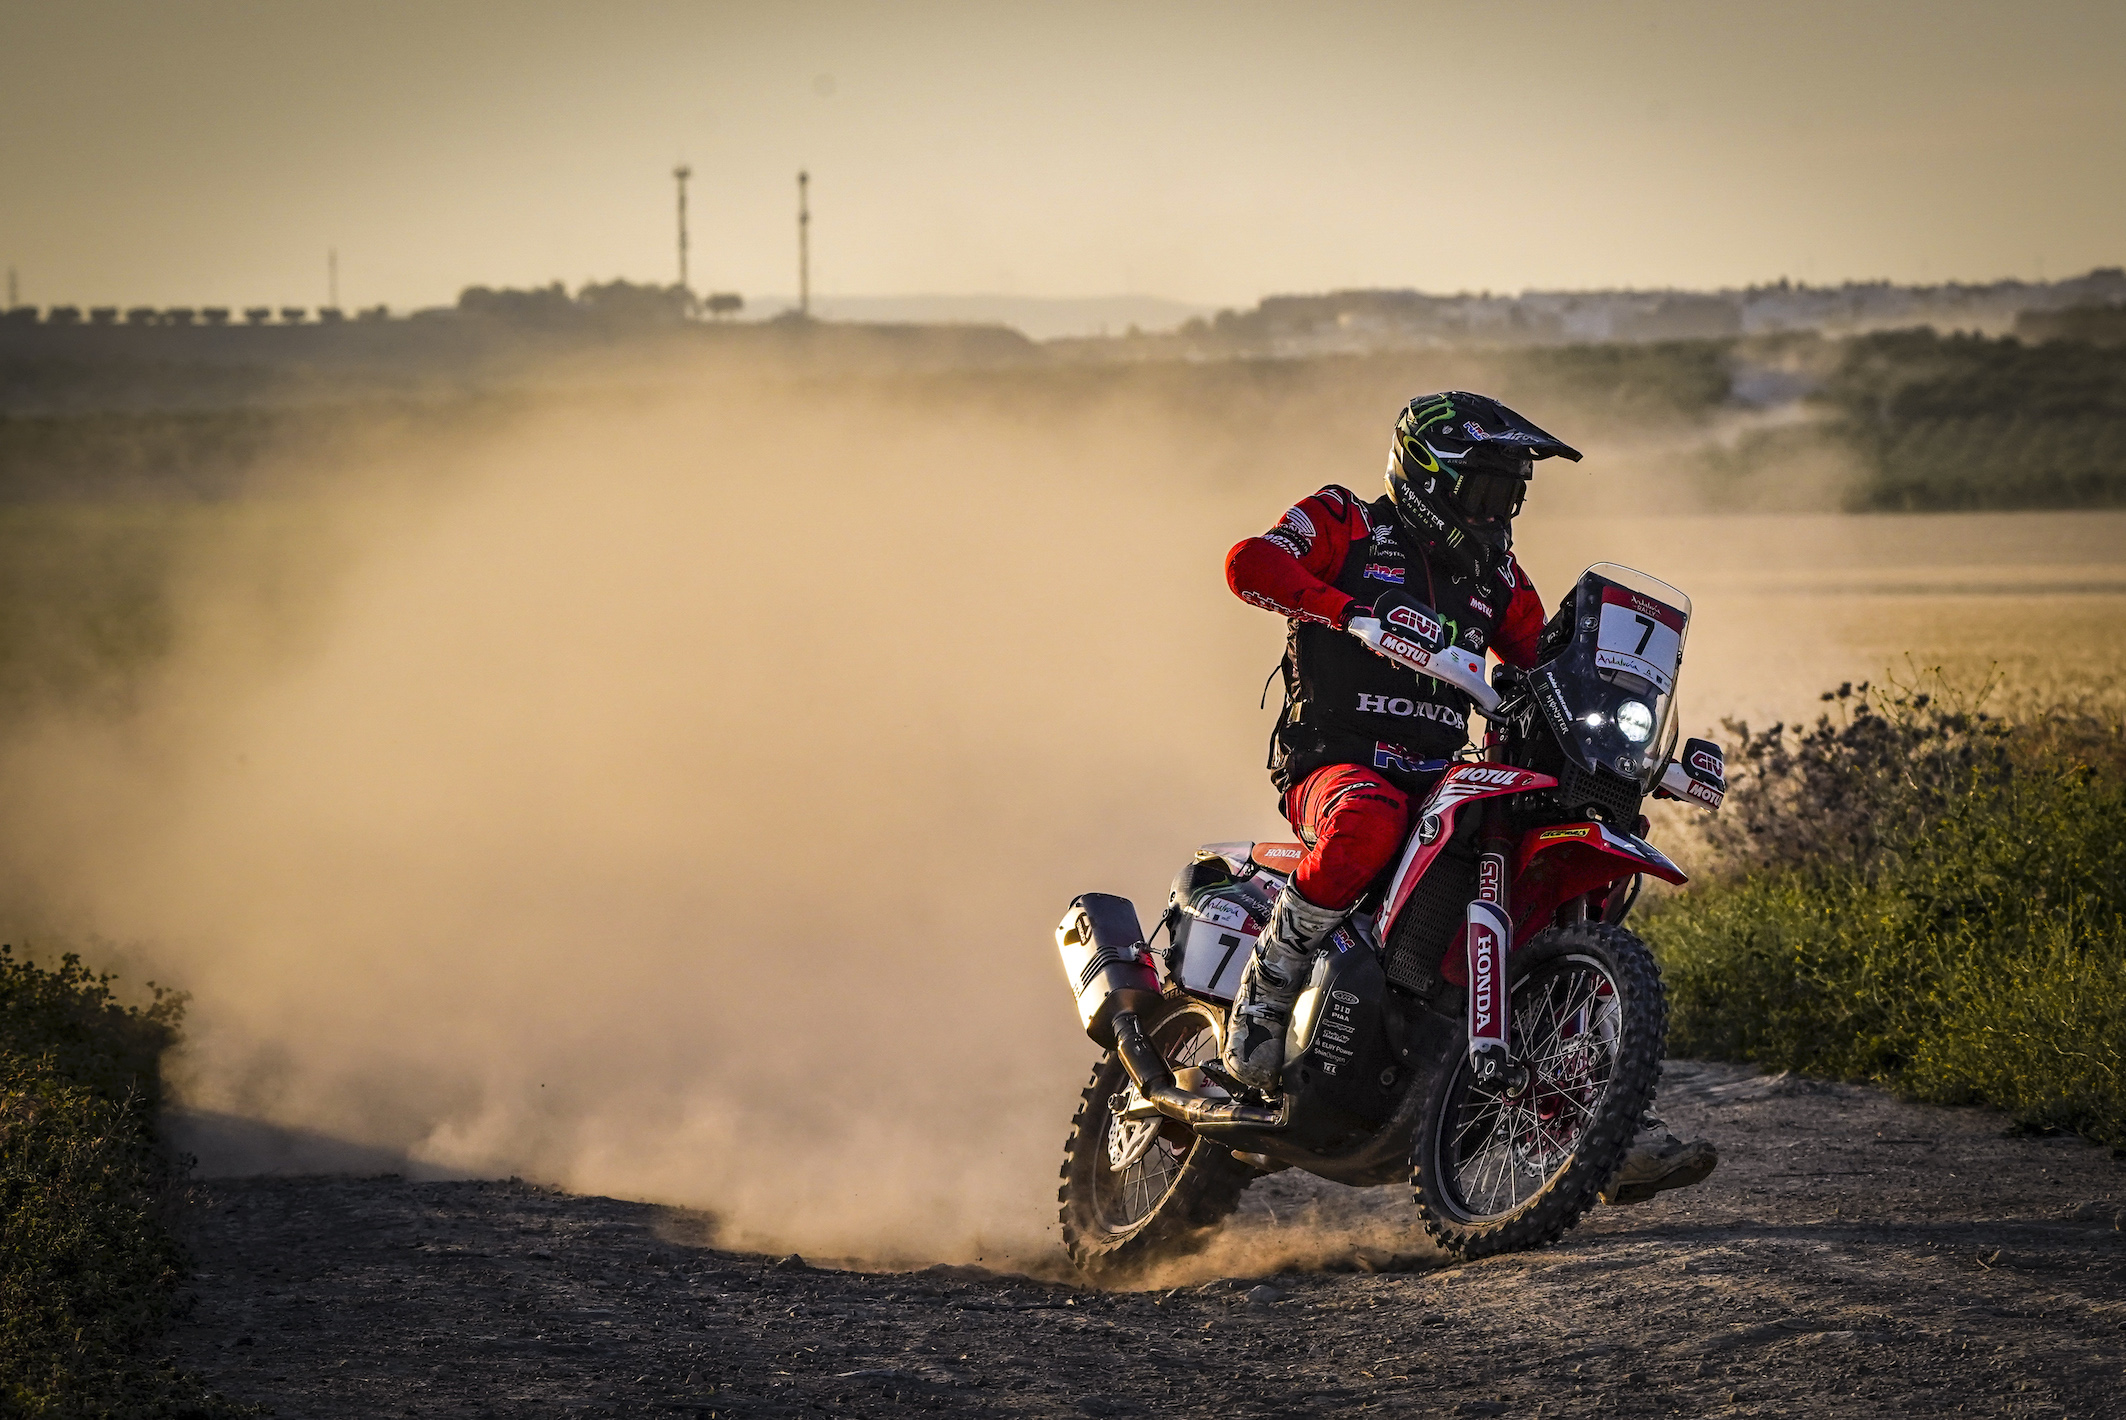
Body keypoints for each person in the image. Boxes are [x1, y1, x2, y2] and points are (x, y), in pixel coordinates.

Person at [1220, 390, 1716, 1205]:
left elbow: (1545, 670)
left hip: (1443, 773)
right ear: (1427, 475)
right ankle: (1267, 991)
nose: (1500, 509)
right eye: (1486, 490)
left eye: (1510, 493)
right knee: (1366, 824)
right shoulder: (1346, 521)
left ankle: (1595, 1119)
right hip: (1338, 760)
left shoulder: (1499, 580)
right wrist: (1354, 616)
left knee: (1556, 861)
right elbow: (1250, 564)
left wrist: (1629, 747)